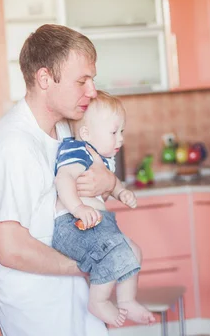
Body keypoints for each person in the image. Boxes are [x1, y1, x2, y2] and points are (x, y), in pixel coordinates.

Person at [0, 24, 116, 335]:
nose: (92, 91)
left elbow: (87, 177)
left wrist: (105, 181)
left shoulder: (63, 127)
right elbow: (12, 249)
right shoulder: (13, 145)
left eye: (92, 80)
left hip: (71, 294)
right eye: (82, 81)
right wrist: (87, 265)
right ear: (45, 78)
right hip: (36, 306)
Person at [52, 91, 155, 327]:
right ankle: (97, 301)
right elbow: (64, 179)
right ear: (87, 133)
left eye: (122, 132)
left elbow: (112, 182)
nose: (120, 139)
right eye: (114, 132)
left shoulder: (103, 158)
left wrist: (121, 192)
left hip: (98, 224)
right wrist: (78, 208)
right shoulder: (78, 150)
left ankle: (127, 300)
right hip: (73, 223)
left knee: (133, 252)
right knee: (112, 254)